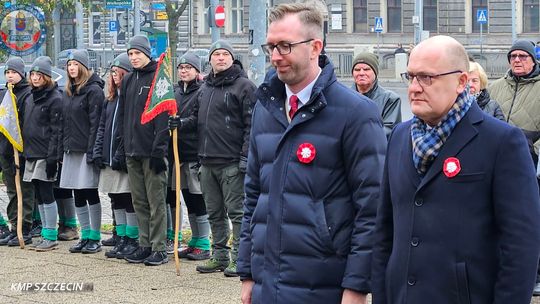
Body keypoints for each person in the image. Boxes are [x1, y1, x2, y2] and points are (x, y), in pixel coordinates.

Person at [235, 3, 387, 303]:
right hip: (268, 284)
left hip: (325, 285)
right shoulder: (265, 108)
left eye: (285, 46)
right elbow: (253, 196)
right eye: (271, 46)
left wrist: (357, 286)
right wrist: (248, 272)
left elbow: (372, 208)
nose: (276, 56)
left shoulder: (357, 113)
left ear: (315, 46)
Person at [372, 35, 540, 303]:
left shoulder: (501, 142)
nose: (414, 88)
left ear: (461, 82)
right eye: (411, 76)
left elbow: (521, 247)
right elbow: (384, 233)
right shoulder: (400, 138)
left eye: (426, 78)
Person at [170, 39, 257, 276]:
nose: (220, 58)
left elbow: (252, 125)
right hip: (206, 161)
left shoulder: (245, 87)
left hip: (231, 163)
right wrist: (180, 123)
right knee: (214, 212)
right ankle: (219, 255)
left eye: (224, 54)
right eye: (216, 54)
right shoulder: (205, 88)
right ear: (210, 60)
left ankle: (240, 258)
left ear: (232, 58)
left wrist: (245, 158)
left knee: (237, 213)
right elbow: (197, 119)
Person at [488, 40, 540, 294]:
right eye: (513, 56)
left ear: (533, 60)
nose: (517, 60)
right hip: (497, 161)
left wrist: (533, 151)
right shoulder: (496, 87)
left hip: (533, 160)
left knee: (529, 218)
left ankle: (535, 272)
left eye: (522, 56)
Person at [113, 35, 170, 266]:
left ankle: (159, 248)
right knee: (139, 201)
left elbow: (163, 114)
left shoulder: (159, 77)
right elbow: (124, 115)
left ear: (147, 53)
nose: (133, 57)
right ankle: (144, 244)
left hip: (151, 152)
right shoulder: (128, 80)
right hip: (132, 150)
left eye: (137, 53)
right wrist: (121, 145)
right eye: (130, 54)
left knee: (156, 201)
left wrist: (159, 150)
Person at [93, 53, 140, 259]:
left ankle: (132, 238)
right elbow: (103, 127)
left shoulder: (131, 99)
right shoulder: (110, 99)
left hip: (123, 157)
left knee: (128, 197)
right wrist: (98, 150)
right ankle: (120, 236)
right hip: (109, 156)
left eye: (118, 72)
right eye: (112, 72)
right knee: (115, 198)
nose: (114, 76)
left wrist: (121, 153)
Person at [58, 49, 104, 254]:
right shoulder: (69, 91)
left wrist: (93, 150)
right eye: (69, 65)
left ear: (83, 66)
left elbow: (96, 123)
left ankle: (95, 236)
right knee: (77, 193)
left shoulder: (93, 91)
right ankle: (85, 235)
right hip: (71, 149)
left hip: (85, 149)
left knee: (89, 191)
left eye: (75, 64)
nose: (71, 68)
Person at [170, 52, 211, 260]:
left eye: (188, 68)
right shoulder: (176, 92)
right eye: (181, 67)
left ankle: (204, 241)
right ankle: (194, 240)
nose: (184, 71)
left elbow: (199, 118)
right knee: (187, 197)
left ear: (197, 71)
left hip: (194, 152)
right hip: (179, 154)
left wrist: (182, 123)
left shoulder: (201, 92)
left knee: (198, 198)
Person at [22, 56, 63, 251]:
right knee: (38, 193)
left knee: (47, 194)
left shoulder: (55, 98)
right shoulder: (31, 96)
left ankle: (50, 234)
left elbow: (56, 131)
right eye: (33, 74)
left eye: (39, 75)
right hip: (31, 153)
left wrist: (52, 157)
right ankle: (45, 233)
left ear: (47, 77)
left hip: (45, 154)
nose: (35, 78)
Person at [0, 57, 35, 246]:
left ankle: (25, 228)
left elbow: (27, 123)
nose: (10, 76)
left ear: (21, 74)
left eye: (13, 72)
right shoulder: (5, 94)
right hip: (6, 149)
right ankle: (15, 227)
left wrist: (22, 149)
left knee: (24, 190)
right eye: (7, 72)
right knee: (12, 190)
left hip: (22, 150)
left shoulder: (27, 94)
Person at [351, 52, 401, 137]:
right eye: (357, 70)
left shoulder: (390, 99)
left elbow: (390, 131)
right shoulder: (343, 97)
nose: (361, 73)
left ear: (375, 73)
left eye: (366, 69)